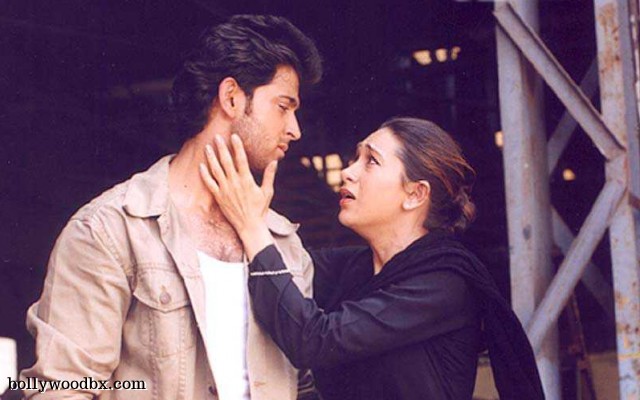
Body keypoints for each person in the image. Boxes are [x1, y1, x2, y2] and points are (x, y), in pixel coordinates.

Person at [20, 15, 322, 399]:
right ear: (231, 97)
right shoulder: (111, 231)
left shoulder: (286, 247)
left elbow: (303, 385)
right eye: (283, 106)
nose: (295, 129)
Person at [200, 117, 546, 400]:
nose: (348, 171)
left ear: (415, 194)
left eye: (371, 161)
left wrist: (253, 227)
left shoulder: (444, 284)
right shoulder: (354, 267)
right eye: (356, 158)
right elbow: (279, 270)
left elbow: (315, 341)